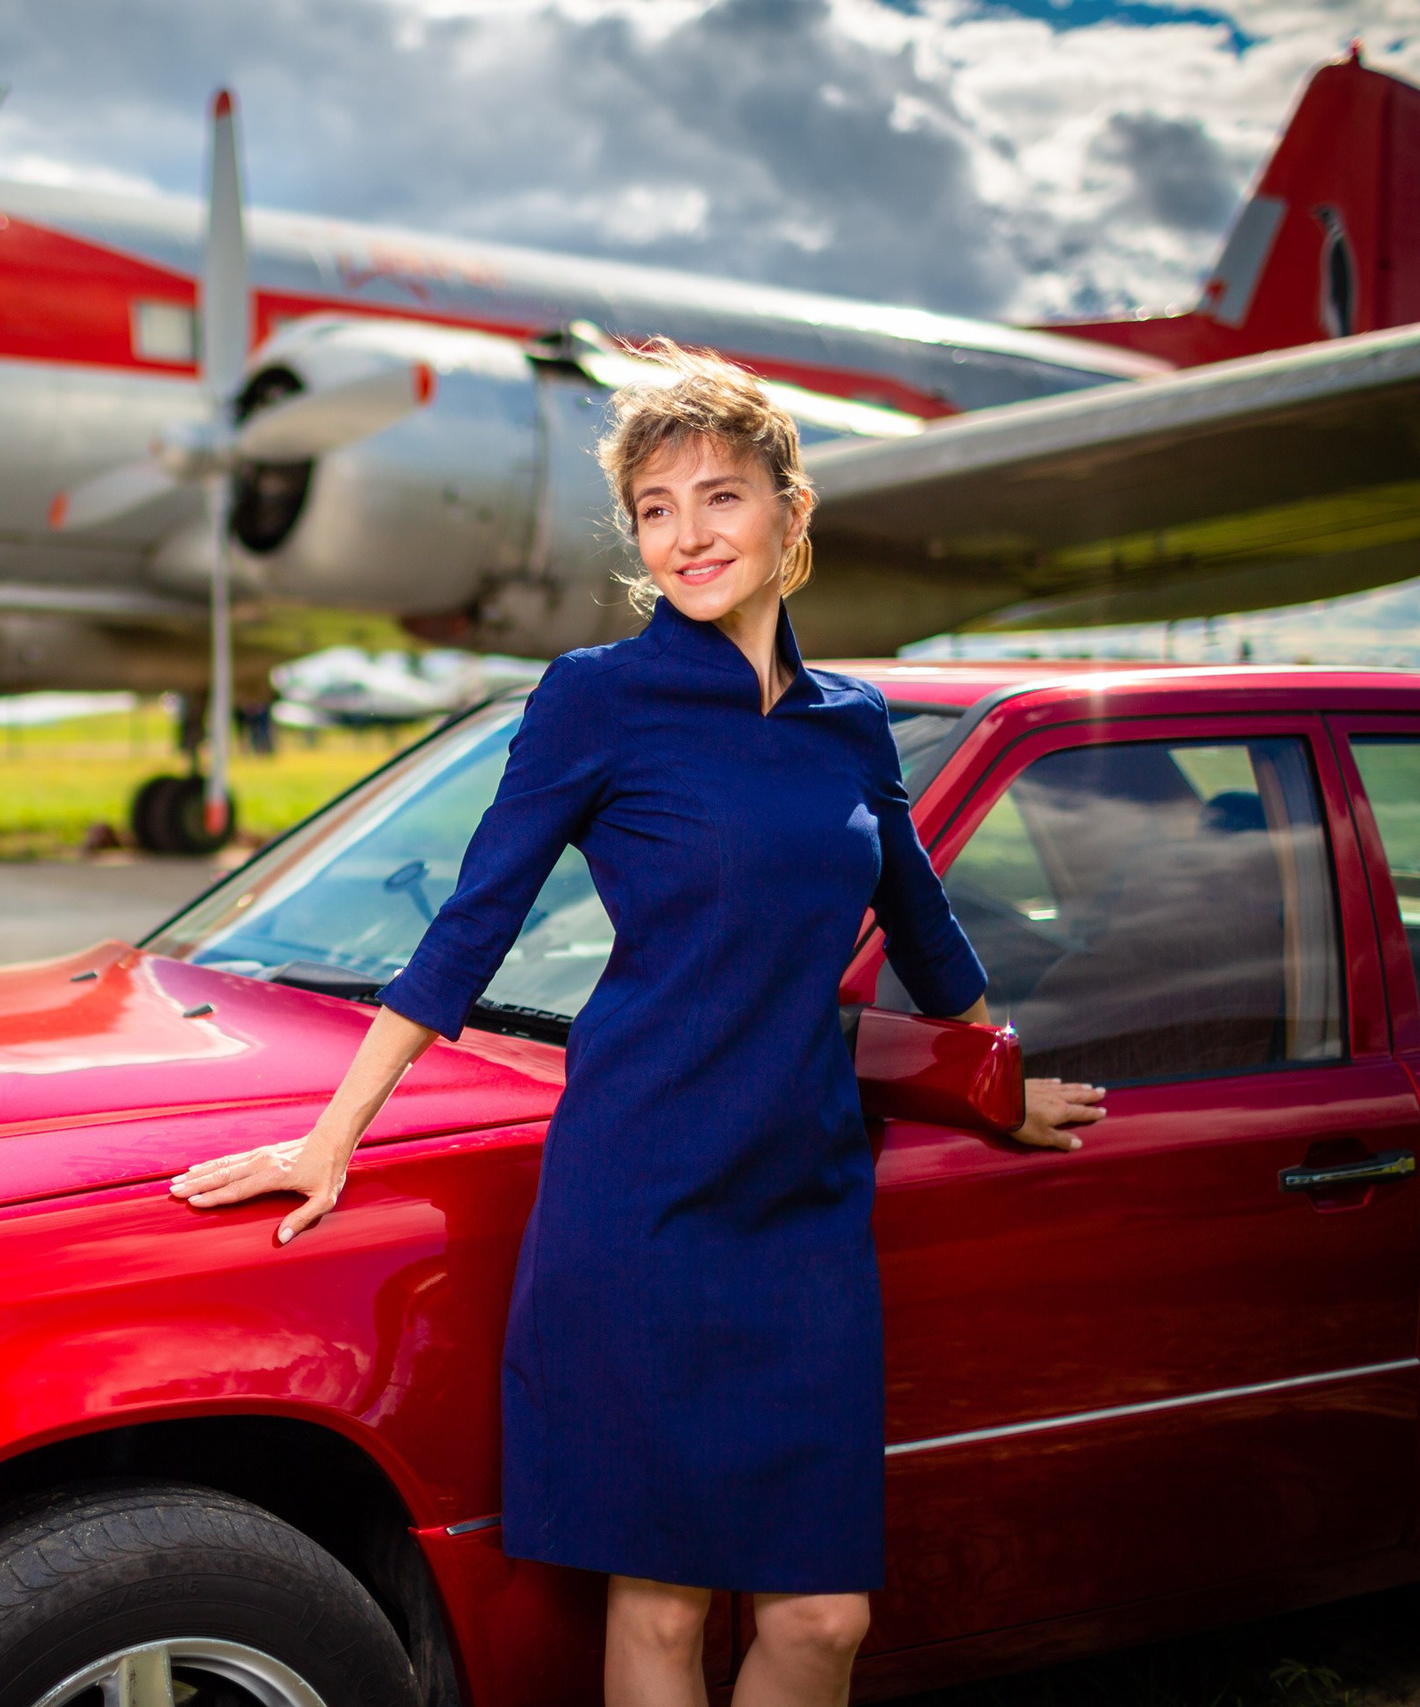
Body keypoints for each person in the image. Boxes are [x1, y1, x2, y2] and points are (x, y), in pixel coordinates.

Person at [171, 344, 1107, 1707]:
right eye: (655, 509)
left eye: (719, 498)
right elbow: (469, 927)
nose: (687, 536)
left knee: (821, 1621)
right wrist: (332, 1136)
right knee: (660, 1609)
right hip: (641, 1201)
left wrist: (998, 1082)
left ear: (791, 511)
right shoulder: (597, 698)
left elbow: (922, 926)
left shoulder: (853, 723)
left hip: (802, 1213)